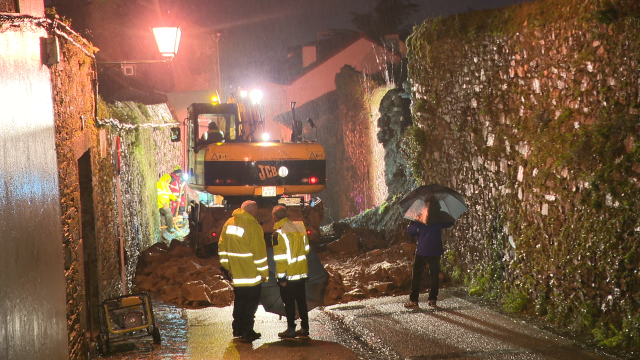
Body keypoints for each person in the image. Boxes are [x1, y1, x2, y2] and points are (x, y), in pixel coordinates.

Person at [218, 200, 269, 341]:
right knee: (251, 304)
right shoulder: (253, 226)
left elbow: (222, 245)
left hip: (236, 273)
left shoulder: (229, 223)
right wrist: (264, 273)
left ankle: (237, 329)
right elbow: (259, 253)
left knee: (239, 301)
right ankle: (248, 332)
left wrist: (227, 266)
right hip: (251, 274)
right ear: (252, 212)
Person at [404, 198, 453, 309]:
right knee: (434, 275)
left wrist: (412, 222)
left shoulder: (421, 216)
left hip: (422, 249)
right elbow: (450, 222)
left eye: (425, 203)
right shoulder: (439, 217)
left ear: (427, 204)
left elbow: (411, 233)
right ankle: (432, 300)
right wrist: (443, 214)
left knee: (417, 275)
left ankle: (414, 300)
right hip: (436, 249)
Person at [271, 205, 311, 339]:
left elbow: (280, 258)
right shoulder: (300, 227)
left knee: (288, 303)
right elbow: (306, 250)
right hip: (301, 272)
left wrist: (281, 278)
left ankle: (291, 329)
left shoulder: (278, 233)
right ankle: (305, 328)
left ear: (275, 217)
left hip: (288, 275)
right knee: (301, 301)